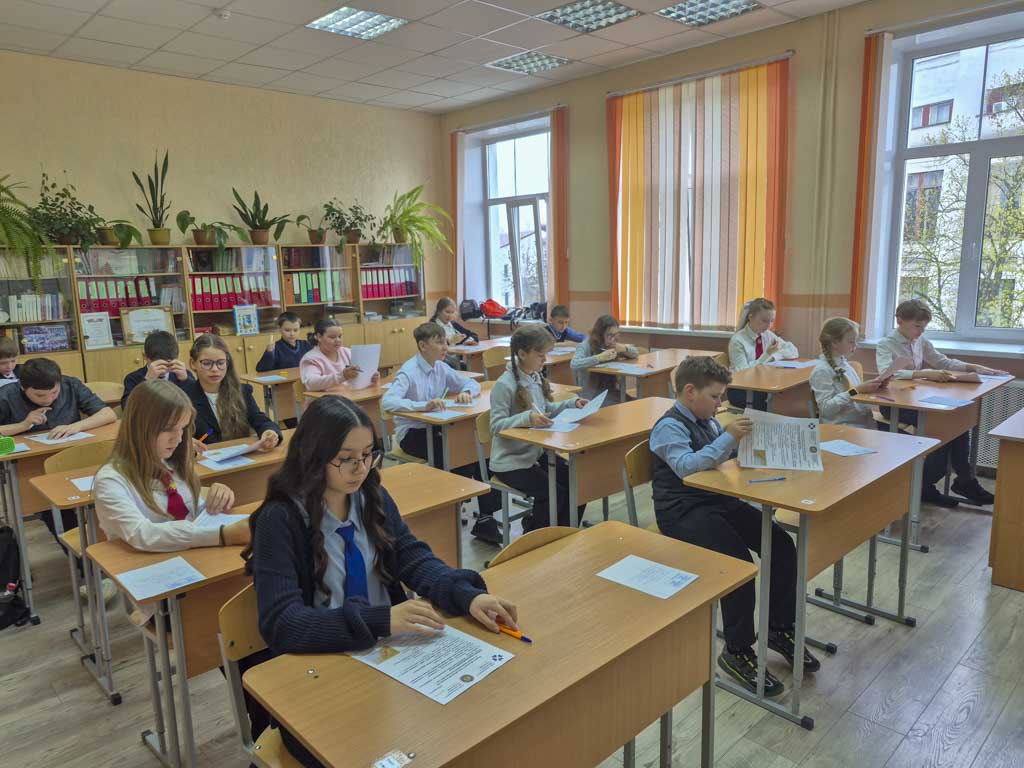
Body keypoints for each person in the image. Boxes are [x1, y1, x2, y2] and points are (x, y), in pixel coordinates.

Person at [243, 395, 519, 768]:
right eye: (346, 458)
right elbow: (282, 623)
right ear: (313, 454)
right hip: (320, 669)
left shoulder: (370, 495)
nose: (360, 468)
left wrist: (465, 595)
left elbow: (411, 556)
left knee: (469, 720)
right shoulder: (280, 519)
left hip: (387, 656)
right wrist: (380, 620)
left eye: (368, 455)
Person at [649, 356, 819, 697]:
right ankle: (736, 650)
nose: (720, 403)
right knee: (739, 565)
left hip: (717, 499)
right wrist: (727, 438)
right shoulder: (669, 426)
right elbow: (687, 467)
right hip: (682, 510)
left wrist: (757, 448)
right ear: (690, 391)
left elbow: (720, 459)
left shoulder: (707, 419)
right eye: (715, 396)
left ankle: (778, 627)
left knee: (781, 544)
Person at [382, 322, 504, 544]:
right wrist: (422, 406)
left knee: (477, 450)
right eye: (439, 342)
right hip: (413, 432)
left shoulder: (441, 367)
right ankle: (444, 510)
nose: (445, 347)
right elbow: (388, 401)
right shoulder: (409, 371)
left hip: (438, 428)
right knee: (456, 454)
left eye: (445, 342)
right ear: (423, 346)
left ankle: (486, 518)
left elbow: (471, 383)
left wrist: (466, 392)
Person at [876, 299, 1003, 507]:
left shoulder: (920, 341)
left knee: (957, 421)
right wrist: (925, 373)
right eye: (917, 326)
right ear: (900, 321)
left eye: (924, 327)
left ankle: (957, 481)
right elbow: (886, 373)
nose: (920, 331)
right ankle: (936, 484)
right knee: (944, 426)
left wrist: (973, 367)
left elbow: (943, 361)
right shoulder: (886, 344)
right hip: (894, 404)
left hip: (917, 399)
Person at [95, 380, 247, 552]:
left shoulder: (170, 462)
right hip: (143, 564)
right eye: (168, 429)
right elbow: (142, 534)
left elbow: (191, 515)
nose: (179, 439)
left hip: (186, 555)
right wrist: (222, 535)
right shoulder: (110, 480)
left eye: (182, 428)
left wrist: (215, 499)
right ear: (140, 427)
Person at [0, 357, 117, 541]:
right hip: (31, 466)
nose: (48, 399)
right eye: (39, 395)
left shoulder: (71, 385)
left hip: (74, 457)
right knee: (50, 505)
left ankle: (97, 542)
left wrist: (76, 426)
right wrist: (23, 425)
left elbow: (108, 414)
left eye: (54, 392)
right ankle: (81, 549)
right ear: (22, 387)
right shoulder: (6, 395)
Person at [490, 326, 589, 530]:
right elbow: (496, 426)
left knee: (578, 482)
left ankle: (564, 532)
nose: (545, 359)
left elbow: (545, 409)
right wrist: (527, 418)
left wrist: (572, 403)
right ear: (522, 354)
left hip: (535, 454)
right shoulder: (504, 385)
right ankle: (536, 536)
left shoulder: (534, 377)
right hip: (511, 462)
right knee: (554, 492)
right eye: (540, 354)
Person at [183, 334, 281, 450]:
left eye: (220, 363)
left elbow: (260, 420)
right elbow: (176, 435)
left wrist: (269, 431)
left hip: (240, 456)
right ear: (193, 363)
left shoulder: (242, 391)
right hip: (203, 457)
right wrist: (185, 442)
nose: (215, 369)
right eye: (207, 363)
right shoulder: (184, 397)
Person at [810, 317, 882, 429]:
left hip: (862, 422)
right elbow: (826, 409)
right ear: (834, 342)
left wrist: (874, 386)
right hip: (842, 426)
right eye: (851, 341)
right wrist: (856, 390)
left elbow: (856, 393)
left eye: (855, 341)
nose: (855, 345)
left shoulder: (845, 364)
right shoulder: (822, 371)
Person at [727, 298, 798, 409]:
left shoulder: (767, 335)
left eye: (771, 321)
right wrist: (767, 355)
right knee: (776, 400)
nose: (768, 325)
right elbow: (742, 372)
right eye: (764, 321)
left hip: (762, 384)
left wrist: (774, 356)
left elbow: (793, 351)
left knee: (789, 393)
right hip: (741, 389)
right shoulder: (738, 341)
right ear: (751, 317)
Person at [570, 314, 639, 404]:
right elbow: (574, 364)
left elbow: (635, 353)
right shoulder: (586, 345)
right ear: (600, 334)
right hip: (593, 395)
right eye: (610, 335)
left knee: (635, 402)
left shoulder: (612, 344)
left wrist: (624, 348)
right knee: (627, 405)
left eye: (616, 335)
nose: (613, 338)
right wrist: (599, 357)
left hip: (611, 391)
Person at [299, 317, 380, 391]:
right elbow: (311, 384)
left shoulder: (347, 352)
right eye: (332, 337)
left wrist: (371, 377)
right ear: (319, 337)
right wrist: (342, 376)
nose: (338, 340)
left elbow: (361, 373)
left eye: (340, 336)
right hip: (325, 400)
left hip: (349, 396)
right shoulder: (311, 358)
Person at [121, 330, 191, 409]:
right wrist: (147, 382)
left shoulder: (184, 375)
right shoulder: (133, 378)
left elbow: (195, 404)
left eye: (168, 364)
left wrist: (185, 381)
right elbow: (127, 409)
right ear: (145, 357)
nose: (163, 369)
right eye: (159, 364)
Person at [431, 296, 478, 370]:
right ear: (439, 311)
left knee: (465, 367)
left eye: (452, 312)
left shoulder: (453, 324)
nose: (450, 315)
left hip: (456, 360)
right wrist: (450, 341)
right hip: (441, 361)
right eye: (447, 312)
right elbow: (433, 346)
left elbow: (473, 334)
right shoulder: (432, 326)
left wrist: (469, 340)